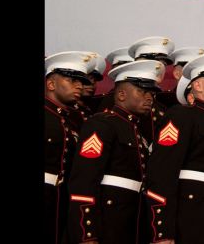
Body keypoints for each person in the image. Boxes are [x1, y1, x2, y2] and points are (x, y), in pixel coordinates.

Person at [143, 51, 204, 244]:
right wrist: (162, 231)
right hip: (186, 215)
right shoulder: (182, 115)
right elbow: (162, 173)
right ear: (197, 85)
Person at [66, 59, 163, 243]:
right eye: (142, 91)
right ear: (121, 94)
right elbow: (84, 180)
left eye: (151, 92)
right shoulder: (102, 123)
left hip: (132, 219)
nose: (149, 97)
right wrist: (87, 232)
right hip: (107, 220)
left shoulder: (137, 131)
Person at [45, 52, 92, 243]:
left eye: (81, 81)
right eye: (71, 80)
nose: (79, 85)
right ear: (51, 84)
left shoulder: (78, 119)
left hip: (66, 198)